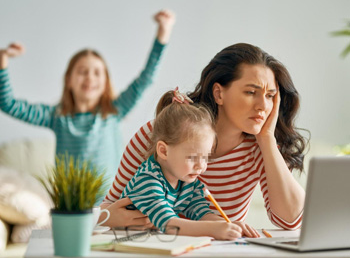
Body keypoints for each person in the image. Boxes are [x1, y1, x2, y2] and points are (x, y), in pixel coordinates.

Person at [100, 42, 308, 231]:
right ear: (219, 94)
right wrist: (109, 218)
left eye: (270, 96)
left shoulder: (260, 148)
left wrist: (267, 139)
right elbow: (109, 207)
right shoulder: (156, 135)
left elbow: (290, 221)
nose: (263, 106)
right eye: (251, 92)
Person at [0, 10, 175, 200]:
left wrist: (162, 34)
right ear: (69, 80)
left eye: (97, 73)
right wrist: (3, 60)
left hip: (113, 205)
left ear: (106, 82)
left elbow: (146, 79)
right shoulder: (57, 117)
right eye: (82, 71)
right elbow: (8, 103)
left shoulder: (114, 111)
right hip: (72, 207)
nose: (90, 77)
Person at [119, 88, 258, 239]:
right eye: (192, 157)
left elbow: (202, 213)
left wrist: (228, 224)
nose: (201, 166)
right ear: (164, 151)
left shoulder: (186, 182)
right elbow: (169, 224)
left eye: (205, 157)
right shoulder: (147, 180)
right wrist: (213, 229)